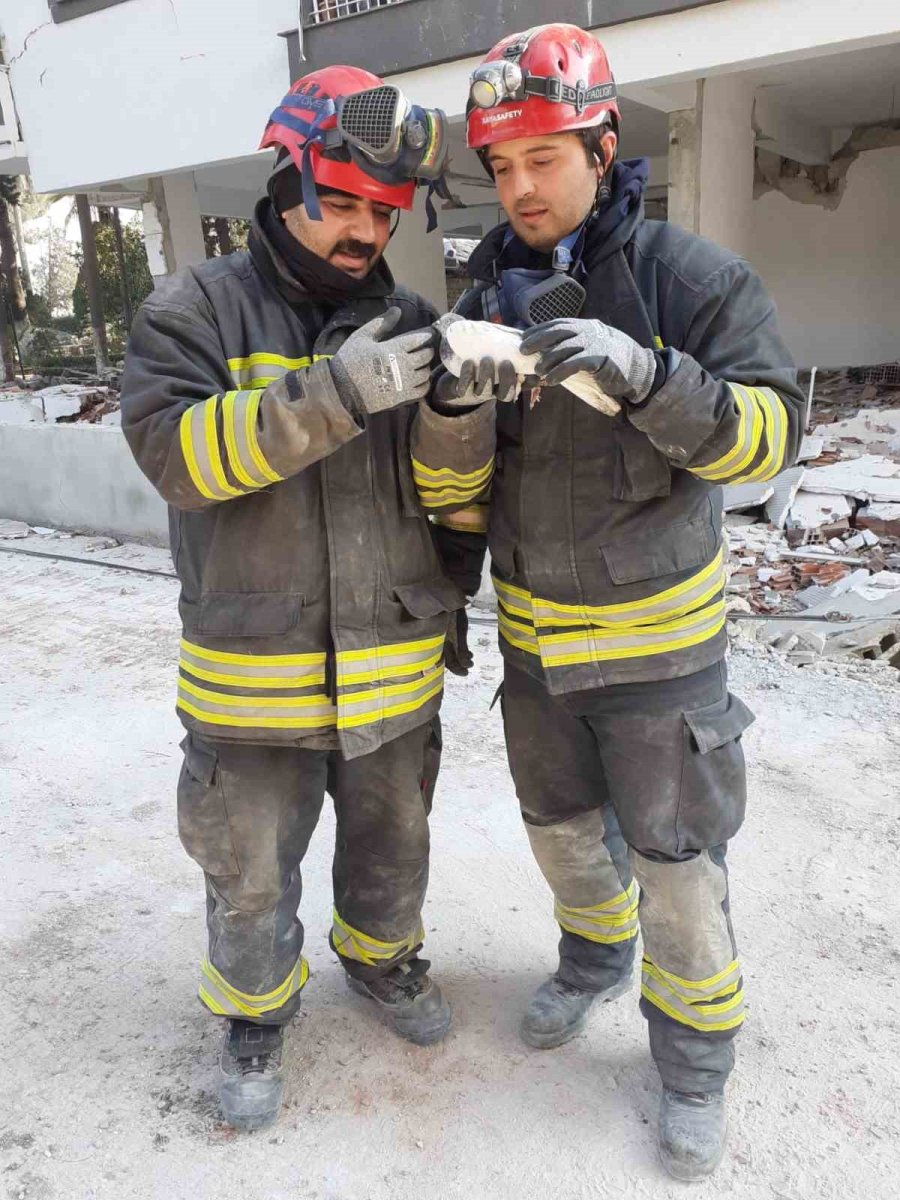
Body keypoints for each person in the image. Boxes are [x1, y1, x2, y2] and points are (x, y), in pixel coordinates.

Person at [411, 24, 805, 1180]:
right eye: (502, 166)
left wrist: (650, 379)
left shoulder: (690, 282)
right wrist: (451, 412)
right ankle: (592, 959)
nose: (520, 186)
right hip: (537, 661)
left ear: (602, 141)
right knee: (566, 843)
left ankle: (693, 1062)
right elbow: (454, 493)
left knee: (679, 871)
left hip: (662, 663)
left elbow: (773, 443)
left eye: (543, 157)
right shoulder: (483, 292)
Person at [120, 65, 465, 1133]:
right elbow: (179, 458)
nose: (367, 228)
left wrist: (459, 415)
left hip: (391, 664)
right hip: (252, 673)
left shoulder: (412, 316)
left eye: (385, 210)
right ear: (292, 176)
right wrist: (337, 394)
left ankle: (382, 960)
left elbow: (446, 497)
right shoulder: (195, 310)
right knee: (250, 869)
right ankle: (256, 1013)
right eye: (347, 201)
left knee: (392, 846)